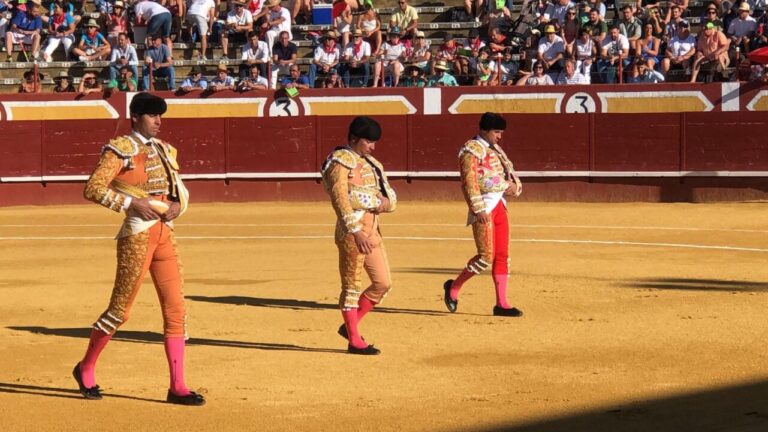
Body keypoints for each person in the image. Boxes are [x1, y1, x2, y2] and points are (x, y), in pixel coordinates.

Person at [74, 92, 204, 406]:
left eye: (161, 116)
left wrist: (175, 207)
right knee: (121, 310)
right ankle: (86, 367)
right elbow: (93, 187)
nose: (159, 122)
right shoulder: (120, 149)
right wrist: (133, 203)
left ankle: (178, 387)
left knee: (176, 310)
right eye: (152, 116)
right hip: (137, 235)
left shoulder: (165, 149)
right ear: (136, 117)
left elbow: (175, 192)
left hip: (165, 234)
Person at [320, 116, 397, 355]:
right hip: (352, 231)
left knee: (383, 283)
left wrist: (380, 203)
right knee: (352, 285)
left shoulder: (373, 163)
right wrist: (355, 230)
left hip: (372, 229)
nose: (373, 147)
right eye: (369, 142)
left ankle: (350, 325)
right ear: (354, 139)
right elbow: (340, 198)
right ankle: (354, 340)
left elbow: (392, 199)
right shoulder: (339, 161)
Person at [443, 112, 523, 317]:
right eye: (496, 132)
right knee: (485, 256)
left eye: (501, 132)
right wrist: (478, 209)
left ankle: (502, 304)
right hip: (484, 207)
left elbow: (510, 173)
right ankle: (453, 287)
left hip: (500, 206)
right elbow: (471, 182)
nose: (500, 136)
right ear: (484, 131)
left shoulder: (495, 149)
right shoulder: (471, 149)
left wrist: (516, 187)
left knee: (502, 255)